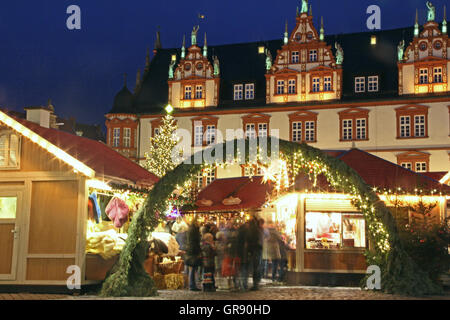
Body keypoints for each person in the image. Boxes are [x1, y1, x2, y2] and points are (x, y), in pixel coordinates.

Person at [246, 217, 265, 290]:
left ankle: (255, 284)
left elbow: (251, 241)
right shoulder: (258, 230)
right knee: (256, 267)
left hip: (254, 250)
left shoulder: (252, 231)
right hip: (257, 249)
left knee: (254, 267)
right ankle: (256, 283)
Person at [185, 219, 202, 291]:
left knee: (191, 268)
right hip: (193, 251)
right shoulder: (194, 230)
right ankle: (192, 285)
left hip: (190, 250)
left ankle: (192, 284)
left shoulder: (190, 230)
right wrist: (198, 252)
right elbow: (196, 242)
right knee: (193, 268)